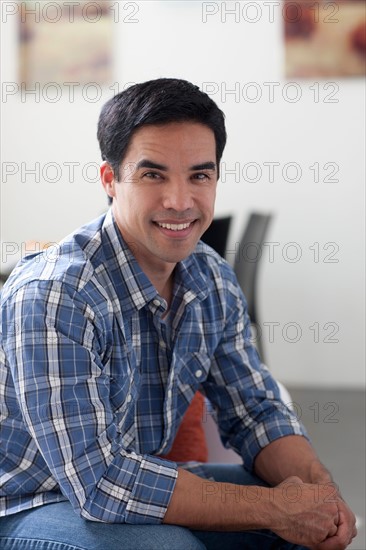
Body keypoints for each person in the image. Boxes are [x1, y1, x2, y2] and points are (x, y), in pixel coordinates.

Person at [0, 78, 357, 550]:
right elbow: (100, 482)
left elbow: (255, 411)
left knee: (305, 521)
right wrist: (278, 511)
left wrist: (319, 494)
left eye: (199, 175)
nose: (180, 201)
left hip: (131, 481)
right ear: (110, 180)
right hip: (29, 504)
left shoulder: (210, 276)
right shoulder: (55, 295)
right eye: (153, 175)